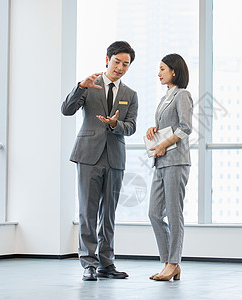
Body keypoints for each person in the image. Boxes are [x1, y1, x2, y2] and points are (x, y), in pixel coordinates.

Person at [61, 41, 138, 281]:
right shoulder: (90, 86)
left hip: (115, 158)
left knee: (109, 213)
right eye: (117, 62)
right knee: (88, 211)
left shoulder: (130, 95)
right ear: (107, 60)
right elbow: (66, 110)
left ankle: (107, 263)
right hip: (88, 156)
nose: (120, 67)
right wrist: (79, 88)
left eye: (126, 64)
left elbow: (132, 127)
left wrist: (115, 124)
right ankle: (88, 264)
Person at [146, 53, 193, 281]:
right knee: (154, 213)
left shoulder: (182, 95)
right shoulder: (165, 97)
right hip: (161, 161)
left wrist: (164, 143)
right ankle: (168, 261)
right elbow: (167, 125)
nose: (159, 73)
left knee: (174, 214)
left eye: (162, 69)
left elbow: (185, 128)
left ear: (174, 71)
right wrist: (153, 131)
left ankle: (173, 263)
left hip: (176, 161)